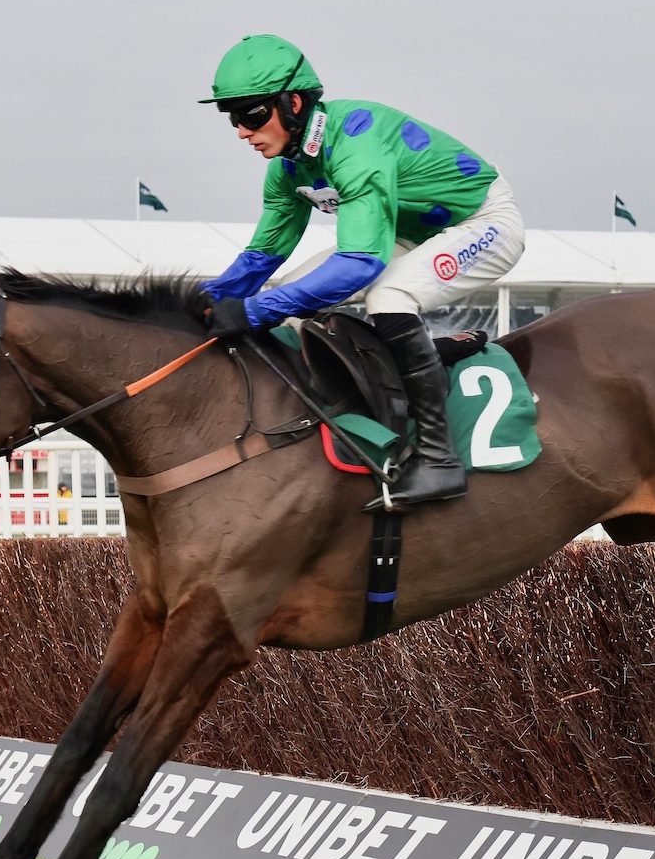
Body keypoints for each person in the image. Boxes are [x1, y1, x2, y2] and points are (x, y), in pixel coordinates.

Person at [197, 35, 525, 508]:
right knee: (289, 300)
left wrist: (253, 311)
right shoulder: (287, 168)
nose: (242, 132)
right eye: (233, 117)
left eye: (251, 115)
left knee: (389, 297)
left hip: (481, 222)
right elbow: (263, 256)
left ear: (292, 103)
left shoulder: (356, 142)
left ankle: (439, 461)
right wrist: (204, 301)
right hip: (406, 232)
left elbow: (359, 264)